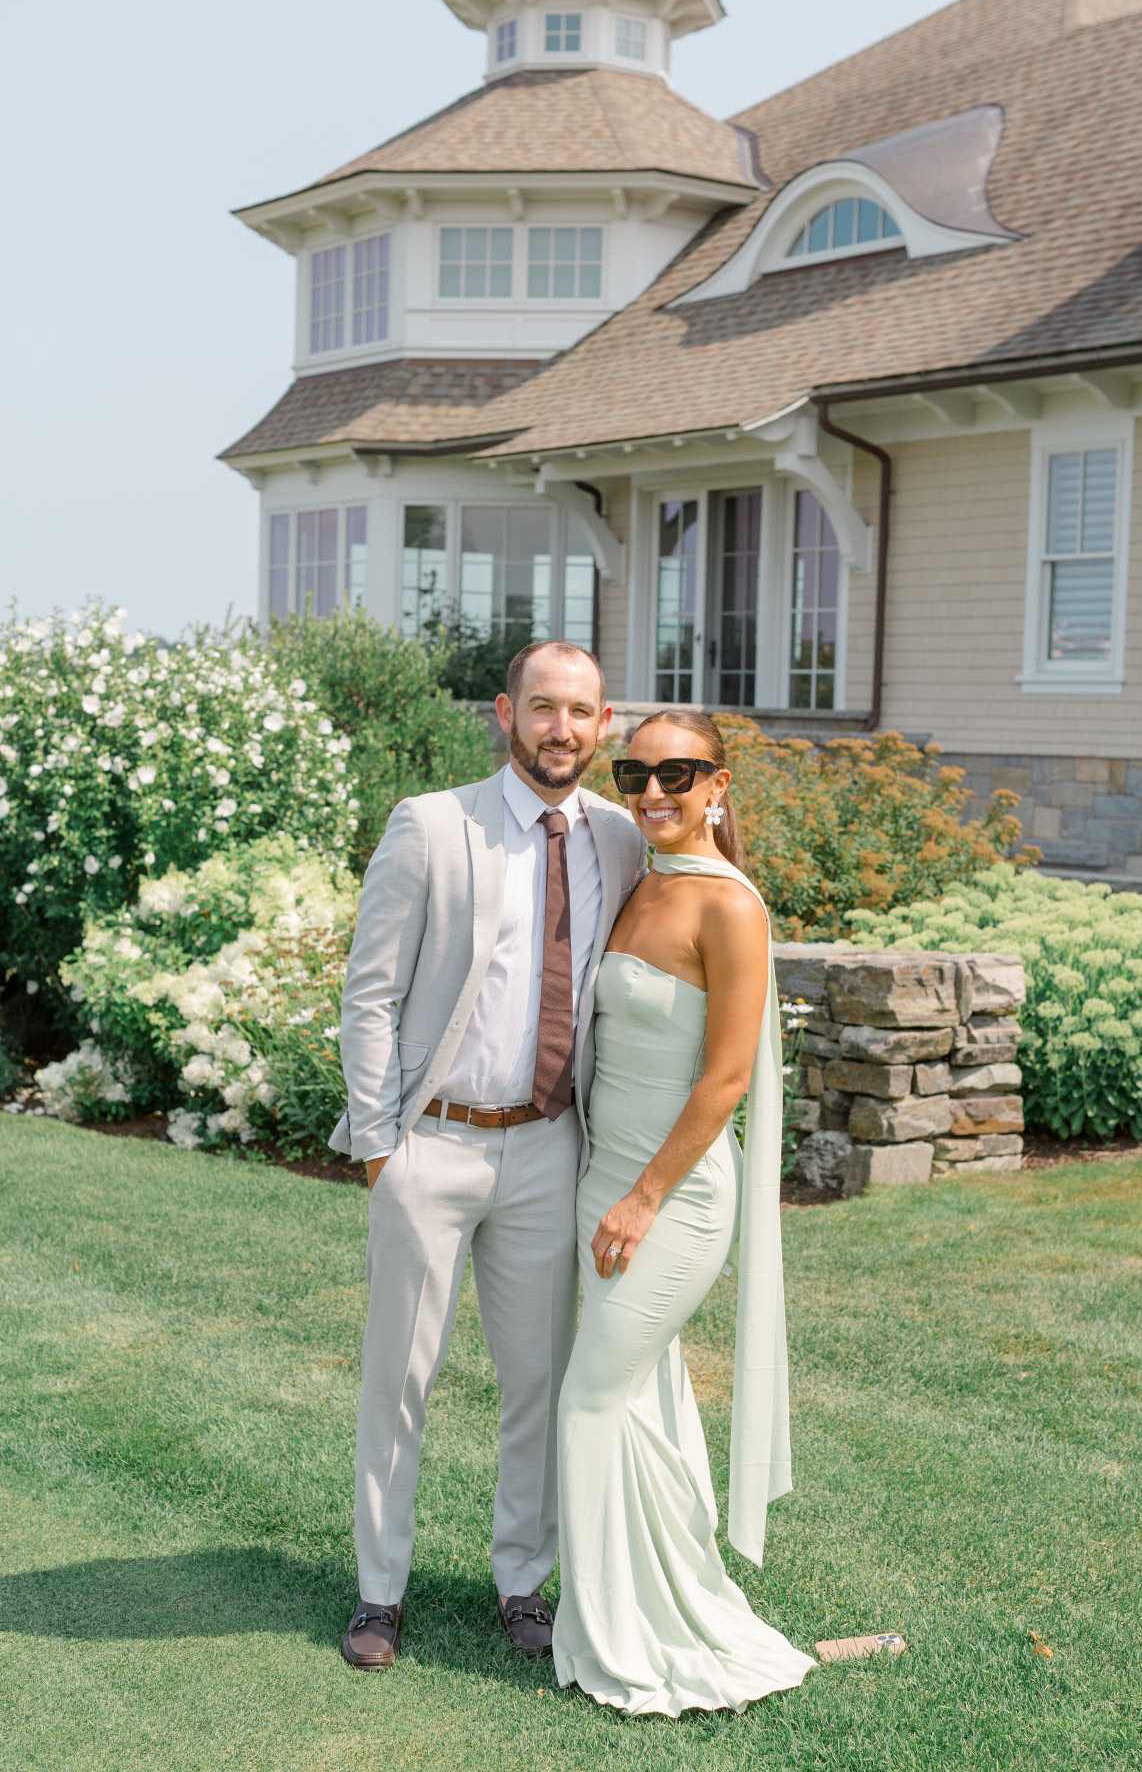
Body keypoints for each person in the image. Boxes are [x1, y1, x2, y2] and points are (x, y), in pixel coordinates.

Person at [328, 640, 646, 1670]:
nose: (562, 729)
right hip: (433, 1144)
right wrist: (381, 1144)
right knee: (400, 1380)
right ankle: (380, 1594)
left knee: (537, 1381)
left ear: (604, 725)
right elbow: (370, 991)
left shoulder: (619, 839)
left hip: (551, 1147)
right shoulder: (432, 826)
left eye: (582, 712)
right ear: (505, 713)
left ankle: (522, 1581)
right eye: (543, 707)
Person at [552, 710, 818, 1716]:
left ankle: (624, 1635)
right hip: (602, 1186)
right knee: (637, 1404)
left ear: (720, 784)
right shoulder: (645, 883)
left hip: (671, 1198)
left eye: (677, 773)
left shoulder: (729, 909)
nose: (653, 791)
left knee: (589, 1403)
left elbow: (727, 1079)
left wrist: (643, 1198)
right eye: (636, 773)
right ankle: (659, 1600)